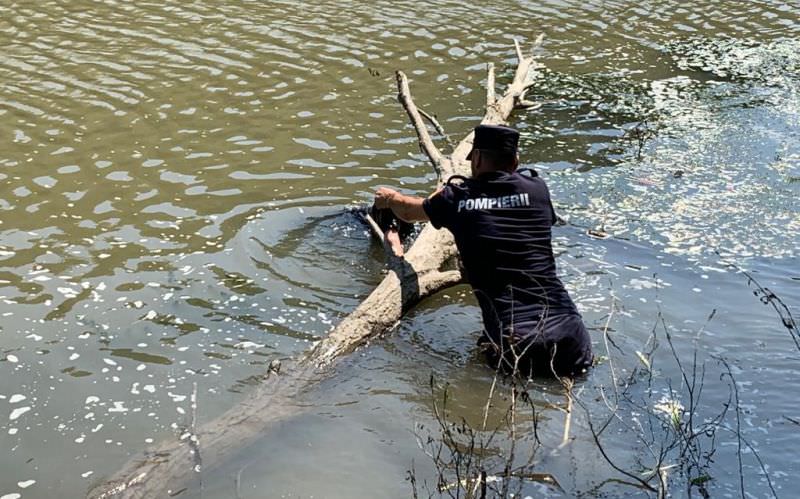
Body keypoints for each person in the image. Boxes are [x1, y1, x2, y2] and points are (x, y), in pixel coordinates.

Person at [373, 124, 592, 377]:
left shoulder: (455, 197)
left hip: (516, 344)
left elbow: (409, 213)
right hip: (572, 337)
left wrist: (389, 198)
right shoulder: (537, 189)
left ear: (476, 158)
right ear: (515, 160)